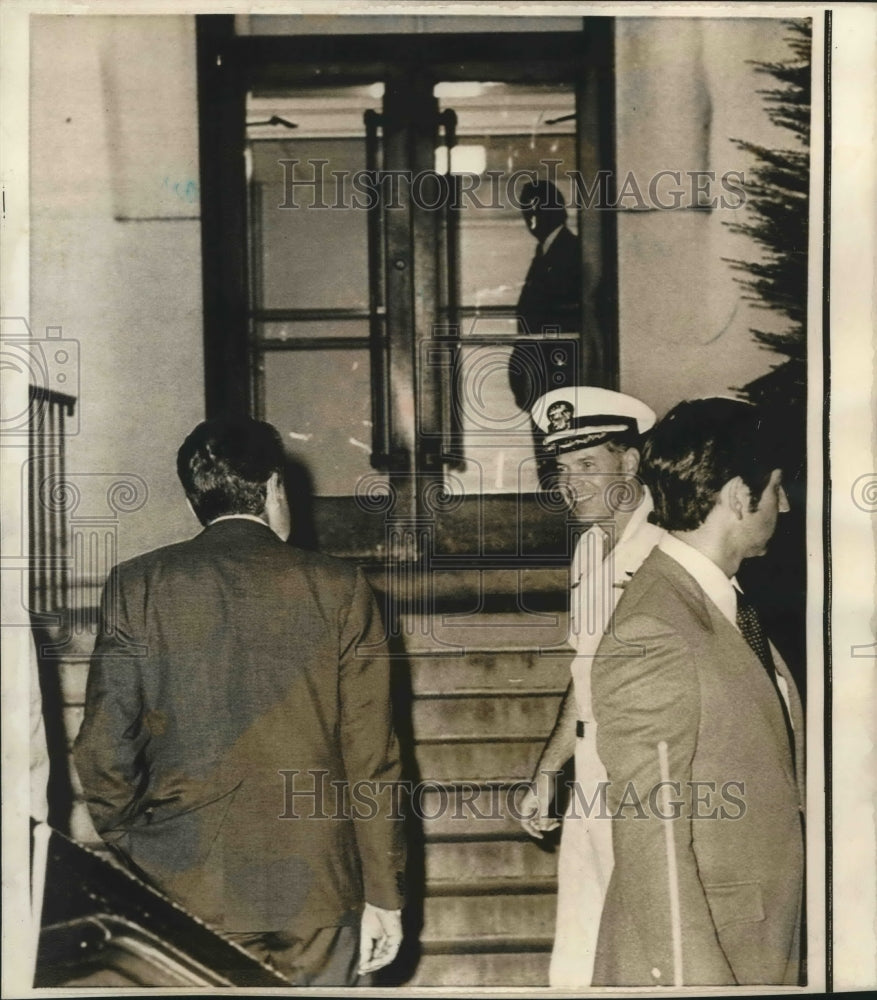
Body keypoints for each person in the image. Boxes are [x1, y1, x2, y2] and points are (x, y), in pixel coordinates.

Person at [74, 417, 406, 986]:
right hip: (319, 884)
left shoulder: (138, 584)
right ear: (276, 487)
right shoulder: (341, 587)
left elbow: (103, 751)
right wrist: (384, 893)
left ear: (193, 500)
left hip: (191, 879)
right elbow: (371, 757)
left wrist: (146, 845)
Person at [591, 397, 805, 987]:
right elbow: (649, 834)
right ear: (740, 495)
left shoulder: (712, 602)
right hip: (702, 957)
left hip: (752, 935)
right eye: (777, 488)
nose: (783, 505)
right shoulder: (658, 626)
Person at [518, 386, 665, 986]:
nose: (570, 484)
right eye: (562, 469)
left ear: (628, 463)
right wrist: (551, 767)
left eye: (586, 465)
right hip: (595, 766)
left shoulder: (667, 545)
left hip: (647, 770)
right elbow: (589, 670)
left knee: (646, 941)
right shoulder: (589, 548)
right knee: (582, 943)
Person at [509, 181, 582, 487]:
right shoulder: (550, 250)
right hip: (543, 366)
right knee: (549, 440)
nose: (530, 220)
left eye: (534, 212)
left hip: (555, 367)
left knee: (556, 441)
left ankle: (557, 493)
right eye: (528, 213)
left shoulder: (568, 251)